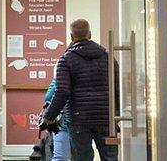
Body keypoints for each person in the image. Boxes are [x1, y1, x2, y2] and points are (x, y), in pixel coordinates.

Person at [41, 19, 118, 161]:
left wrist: (49, 117)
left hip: (78, 119)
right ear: (90, 34)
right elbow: (117, 89)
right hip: (106, 118)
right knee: (110, 157)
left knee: (82, 157)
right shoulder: (108, 57)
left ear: (71, 36)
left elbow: (62, 91)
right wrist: (117, 115)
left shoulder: (66, 60)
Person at [43, 77, 71, 160]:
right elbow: (48, 97)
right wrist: (61, 83)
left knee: (82, 156)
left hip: (80, 124)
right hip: (63, 124)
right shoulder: (58, 79)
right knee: (59, 157)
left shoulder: (82, 78)